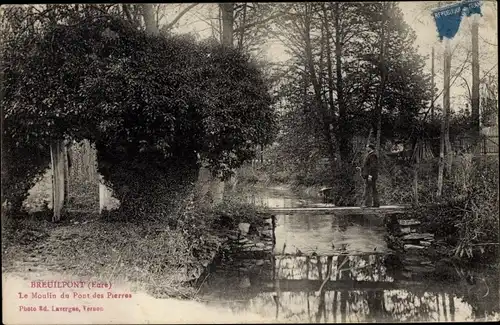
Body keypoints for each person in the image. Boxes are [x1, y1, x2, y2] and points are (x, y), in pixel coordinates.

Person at [361, 143, 380, 208]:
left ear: (370, 148)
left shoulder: (373, 155)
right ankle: (376, 204)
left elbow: (373, 166)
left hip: (371, 176)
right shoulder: (370, 155)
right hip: (370, 175)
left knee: (368, 189)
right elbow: (368, 165)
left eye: (367, 147)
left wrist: (370, 175)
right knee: (373, 189)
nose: (366, 148)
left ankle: (368, 204)